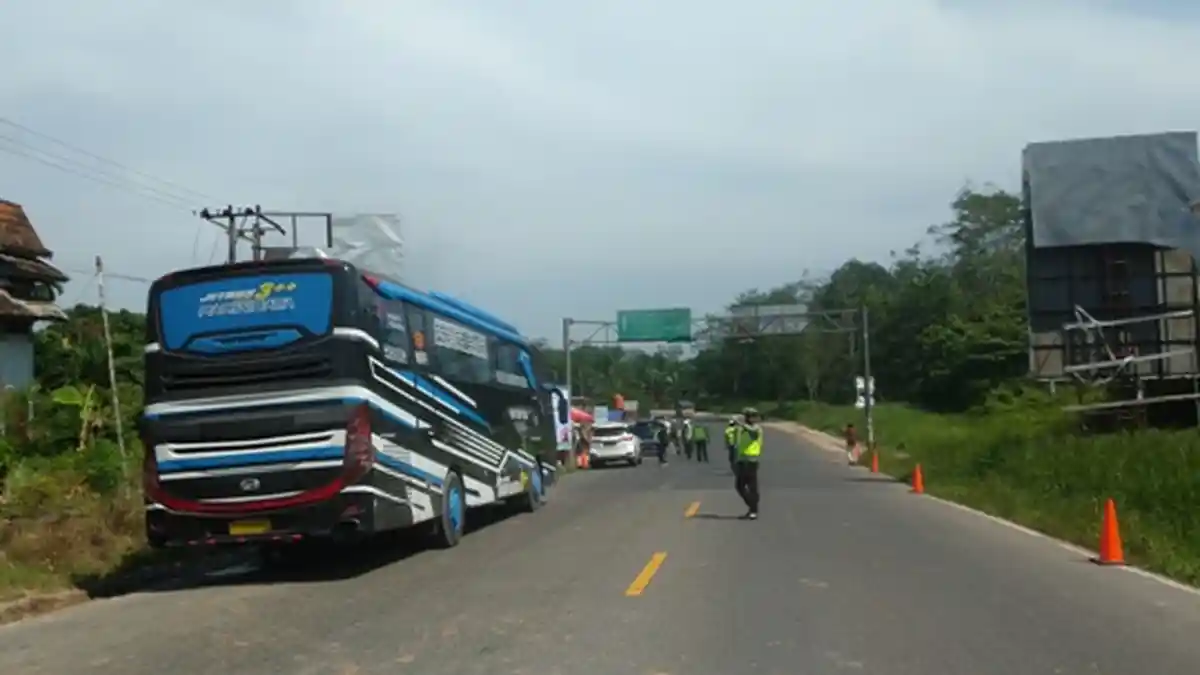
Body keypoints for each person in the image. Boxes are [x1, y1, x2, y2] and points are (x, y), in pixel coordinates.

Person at [732, 407, 763, 519]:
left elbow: (753, 433)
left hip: (751, 461)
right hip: (742, 460)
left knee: (751, 486)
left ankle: (753, 509)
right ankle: (752, 506)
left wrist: (741, 424)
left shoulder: (756, 429)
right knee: (740, 486)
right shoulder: (743, 429)